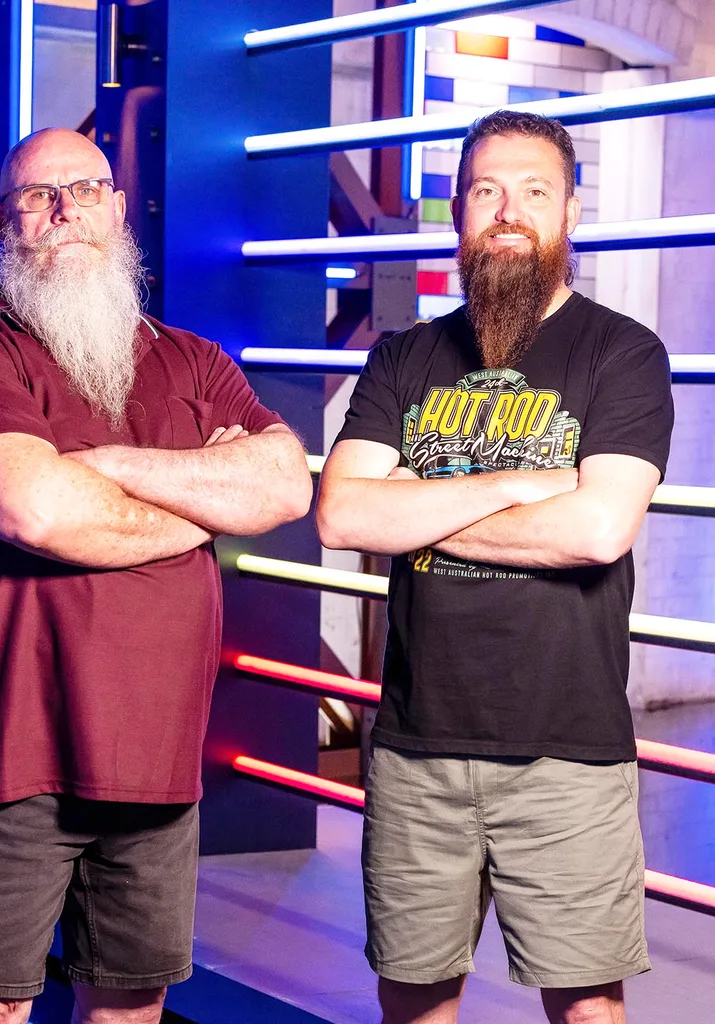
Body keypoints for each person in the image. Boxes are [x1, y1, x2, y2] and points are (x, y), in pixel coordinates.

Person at [0, 126, 312, 1024]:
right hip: (3, 752)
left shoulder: (194, 359)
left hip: (155, 756)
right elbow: (38, 512)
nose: (65, 210)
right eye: (38, 196)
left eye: (85, 190)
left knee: (129, 1008)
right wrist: (206, 497)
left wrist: (105, 465)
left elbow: (283, 484)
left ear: (118, 210)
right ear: (1, 220)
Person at [316, 110, 673, 1024]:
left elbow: (596, 530)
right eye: (486, 190)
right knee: (414, 1001)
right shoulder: (404, 356)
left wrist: (420, 506)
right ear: (459, 210)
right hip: (415, 747)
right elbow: (343, 514)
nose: (508, 211)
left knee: (587, 1008)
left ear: (570, 213)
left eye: (533, 191)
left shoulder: (622, 353)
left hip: (566, 749)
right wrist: (517, 484)